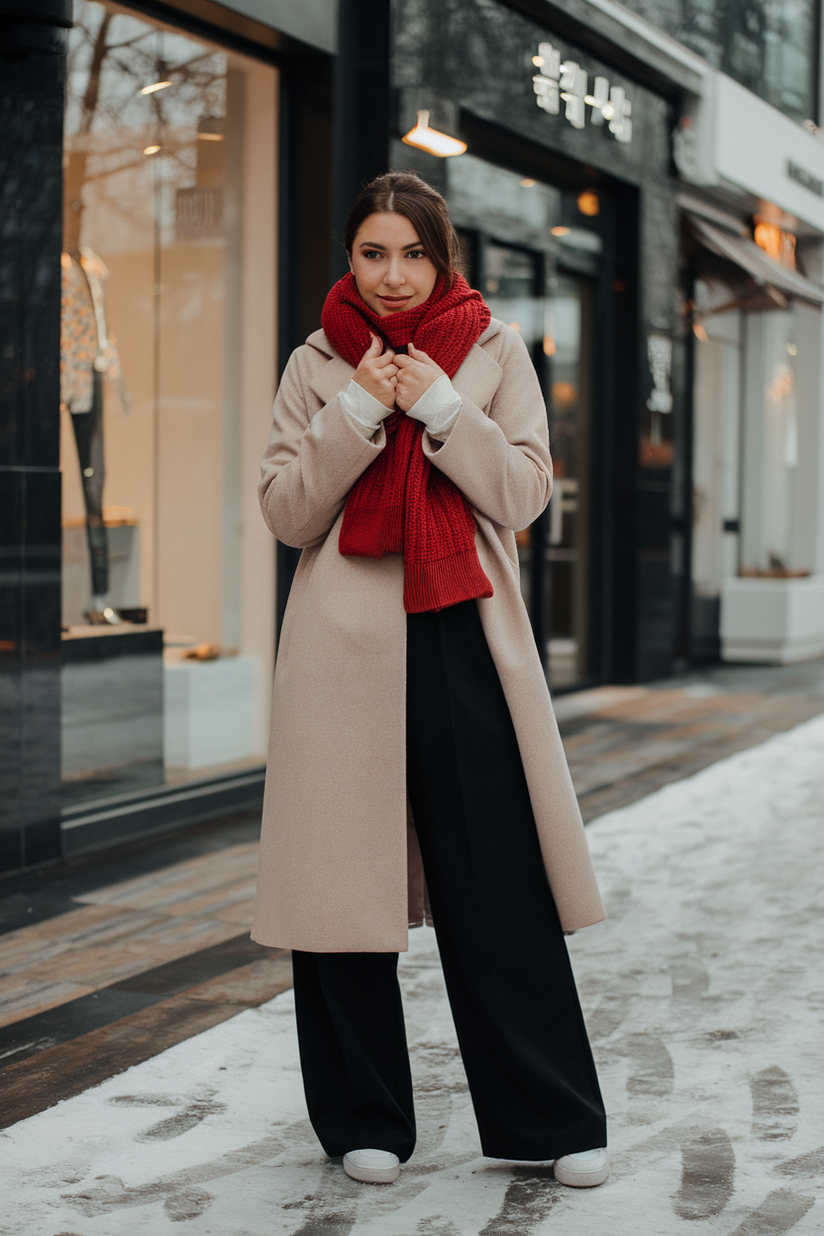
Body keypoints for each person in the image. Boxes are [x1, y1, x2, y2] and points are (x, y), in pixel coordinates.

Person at [252, 171, 609, 1189]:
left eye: (412, 253)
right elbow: (285, 511)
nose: (393, 274)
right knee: (338, 893)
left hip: (461, 632)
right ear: (349, 261)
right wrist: (360, 403)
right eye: (372, 253)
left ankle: (548, 1113)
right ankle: (362, 1117)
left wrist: (445, 409)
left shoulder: (494, 351)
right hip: (340, 650)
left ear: (442, 259)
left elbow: (525, 491)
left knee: (497, 881)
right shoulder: (317, 361)